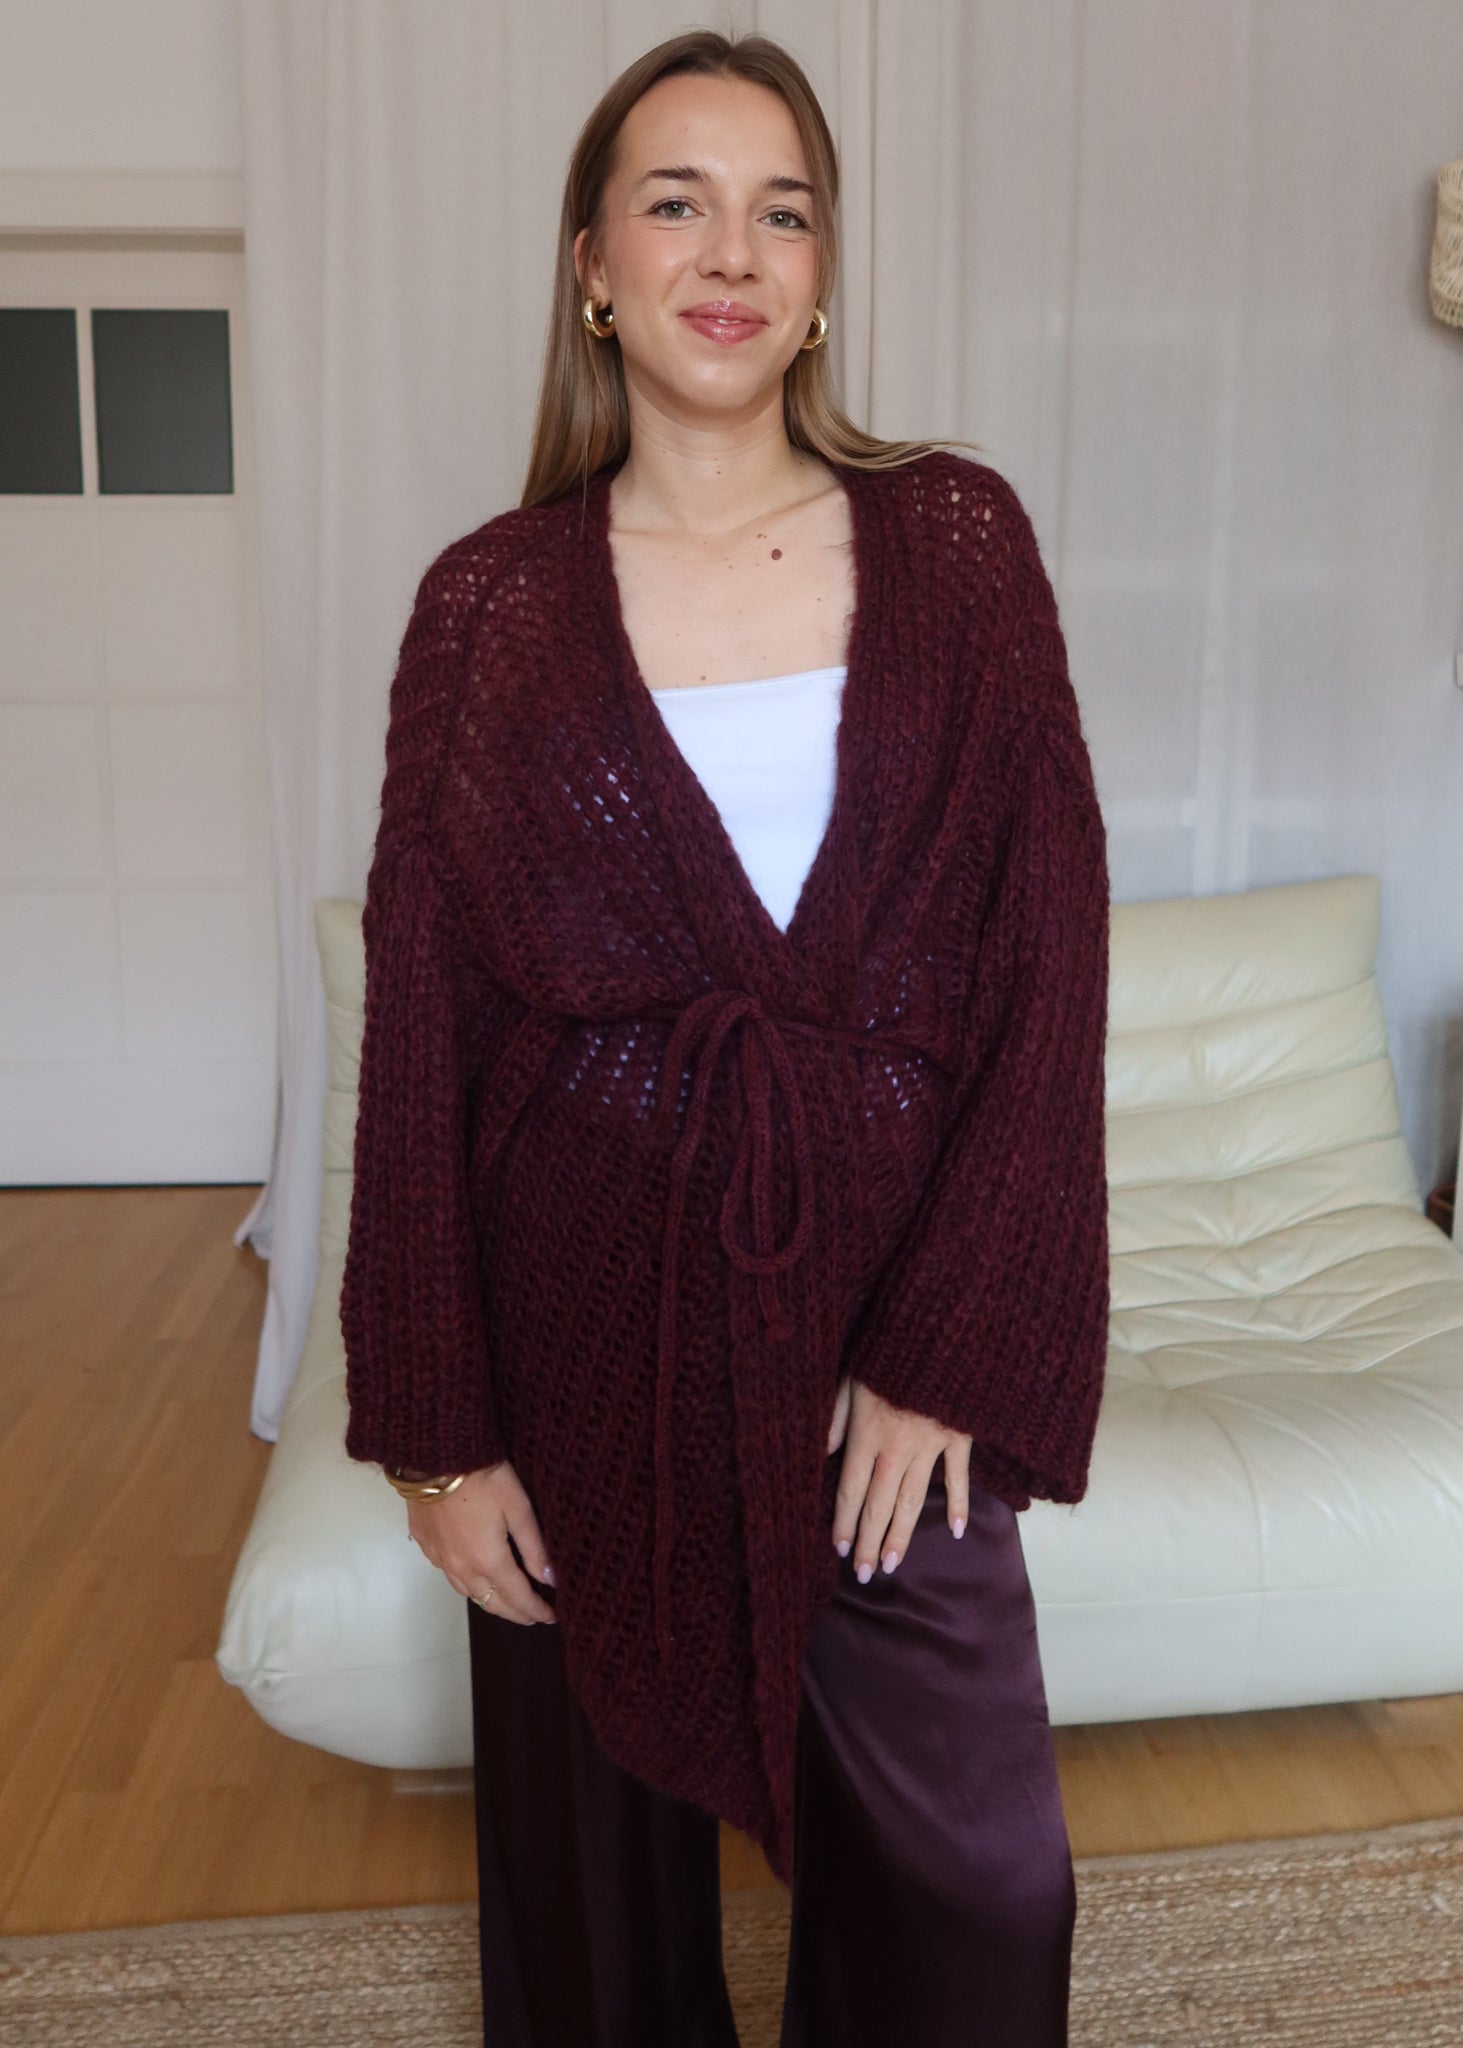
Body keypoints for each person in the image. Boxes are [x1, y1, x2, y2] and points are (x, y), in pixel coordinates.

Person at [340, 27, 1112, 2048]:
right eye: (676, 202)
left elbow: (1047, 961)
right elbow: (423, 1028)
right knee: (596, 1925)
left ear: (824, 270)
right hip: (574, 1329)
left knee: (978, 1893)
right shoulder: (489, 607)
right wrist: (440, 1429)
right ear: (593, 261)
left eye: (783, 211)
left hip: (885, 1328)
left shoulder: (958, 543)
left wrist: (950, 1349)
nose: (732, 253)